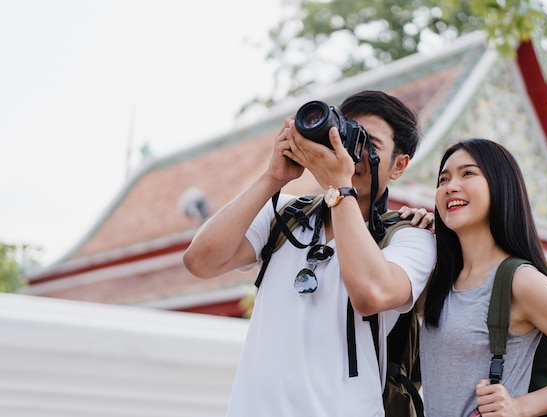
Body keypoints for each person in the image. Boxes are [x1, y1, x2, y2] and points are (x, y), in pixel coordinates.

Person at [183, 90, 437, 417]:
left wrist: (338, 187)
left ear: (399, 165)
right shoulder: (284, 214)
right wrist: (273, 177)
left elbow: (371, 293)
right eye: (348, 137)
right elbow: (199, 261)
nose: (352, 154)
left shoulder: (410, 235)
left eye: (369, 144)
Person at [419, 138, 547, 416]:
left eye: (467, 173)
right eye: (443, 179)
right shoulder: (440, 282)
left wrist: (519, 407)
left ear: (500, 185)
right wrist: (409, 233)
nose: (450, 186)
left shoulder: (520, 282)